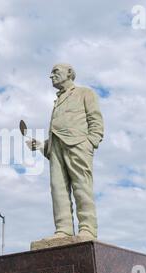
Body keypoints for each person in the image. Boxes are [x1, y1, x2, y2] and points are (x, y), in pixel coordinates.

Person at [27, 63, 104, 241]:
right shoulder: (56, 101)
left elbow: (95, 120)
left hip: (79, 145)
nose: (51, 76)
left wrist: (91, 142)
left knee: (82, 186)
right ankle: (63, 230)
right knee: (58, 189)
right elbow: (59, 129)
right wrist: (41, 145)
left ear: (69, 73)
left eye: (55, 72)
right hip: (55, 148)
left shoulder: (85, 93)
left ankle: (88, 229)